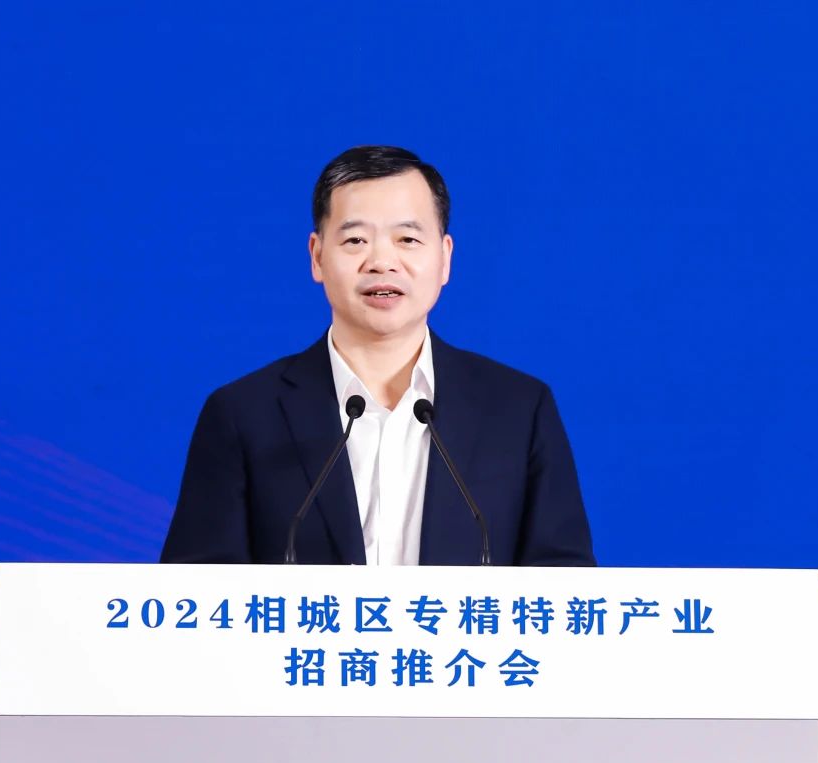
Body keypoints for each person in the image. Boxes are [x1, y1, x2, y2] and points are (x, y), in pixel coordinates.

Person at [160, 145, 595, 567]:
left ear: (444, 258)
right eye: (356, 240)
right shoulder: (242, 414)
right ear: (317, 257)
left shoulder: (519, 410)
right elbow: (195, 591)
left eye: (407, 239)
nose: (382, 261)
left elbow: (564, 583)